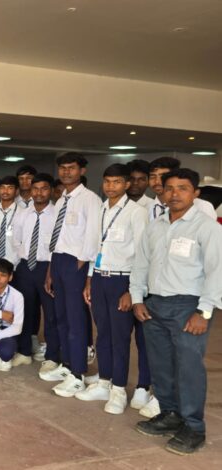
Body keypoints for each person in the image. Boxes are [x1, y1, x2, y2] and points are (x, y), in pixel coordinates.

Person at [130, 168, 222, 455]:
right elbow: (141, 264)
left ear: (195, 193)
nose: (174, 194)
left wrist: (204, 312)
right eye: (169, 188)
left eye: (182, 188)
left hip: (188, 307)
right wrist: (137, 298)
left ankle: (194, 427)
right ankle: (170, 414)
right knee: (161, 365)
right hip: (154, 305)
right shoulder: (156, 226)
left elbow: (217, 271)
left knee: (188, 368)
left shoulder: (207, 228)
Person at [76, 163, 151, 415]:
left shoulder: (136, 213)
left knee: (120, 338)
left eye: (117, 182)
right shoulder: (100, 209)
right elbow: (96, 247)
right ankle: (104, 382)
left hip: (122, 281)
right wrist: (90, 279)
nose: (111, 186)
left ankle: (119, 390)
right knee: (103, 334)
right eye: (107, 181)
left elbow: (143, 255)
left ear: (127, 184)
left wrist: (132, 290)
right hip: (99, 278)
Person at [42, 153, 101, 398]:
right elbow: (56, 238)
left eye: (72, 168)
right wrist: (50, 270)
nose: (66, 172)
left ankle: (78, 375)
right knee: (61, 317)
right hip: (58, 260)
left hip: (76, 263)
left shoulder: (90, 200)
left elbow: (94, 236)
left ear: (82, 171)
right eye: (63, 168)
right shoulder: (61, 200)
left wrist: (83, 268)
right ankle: (67, 365)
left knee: (76, 320)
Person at [11, 173, 56, 368]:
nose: (39, 193)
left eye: (43, 188)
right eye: (35, 189)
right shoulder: (23, 214)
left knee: (51, 313)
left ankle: (52, 356)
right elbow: (15, 239)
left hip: (48, 267)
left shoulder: (57, 214)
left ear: (51, 190)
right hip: (25, 267)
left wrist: (52, 270)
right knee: (25, 310)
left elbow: (59, 245)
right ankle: (24, 351)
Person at [147, 157, 216, 221]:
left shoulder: (203, 206)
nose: (157, 181)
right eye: (152, 177)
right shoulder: (147, 208)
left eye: (163, 176)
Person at [0, 175, 20, 266]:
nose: (5, 191)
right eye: (2, 188)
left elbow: (23, 243)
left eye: (10, 188)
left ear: (17, 191)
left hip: (14, 263)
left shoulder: (22, 214)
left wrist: (12, 262)